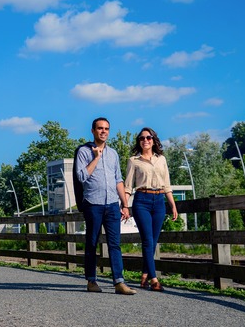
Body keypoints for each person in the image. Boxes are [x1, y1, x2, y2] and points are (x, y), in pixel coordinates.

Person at [75, 117, 137, 295]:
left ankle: (119, 282)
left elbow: (118, 180)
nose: (104, 131)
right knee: (92, 243)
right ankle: (91, 281)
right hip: (92, 203)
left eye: (106, 129)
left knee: (114, 244)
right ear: (93, 131)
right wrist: (96, 158)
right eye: (100, 128)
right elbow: (81, 177)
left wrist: (125, 205)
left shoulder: (114, 154)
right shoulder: (83, 152)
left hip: (112, 204)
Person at [124, 127, 178, 292]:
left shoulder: (161, 159)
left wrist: (173, 205)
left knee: (153, 242)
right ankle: (154, 279)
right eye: (142, 138)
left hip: (159, 201)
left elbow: (167, 185)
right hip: (142, 201)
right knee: (147, 240)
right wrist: (125, 206)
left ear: (154, 140)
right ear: (139, 141)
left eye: (148, 138)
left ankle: (144, 276)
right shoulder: (134, 161)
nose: (145, 140)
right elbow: (127, 186)